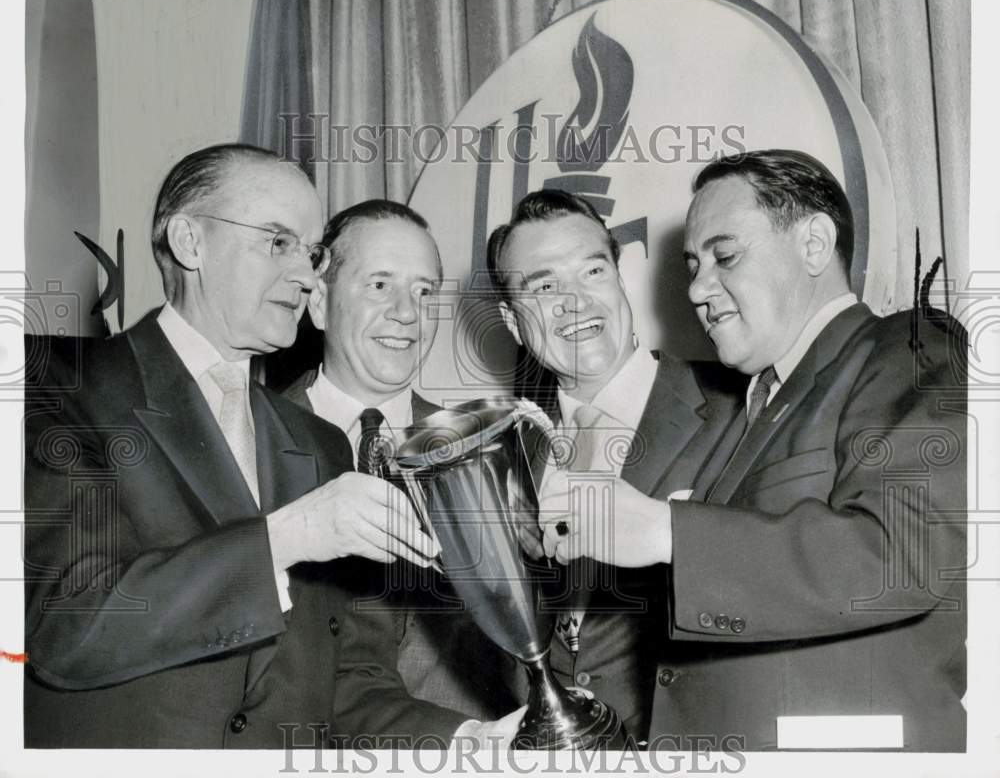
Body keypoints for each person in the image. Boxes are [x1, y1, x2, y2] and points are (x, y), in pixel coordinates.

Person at [23, 143, 519, 749]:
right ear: (190, 242)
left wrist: (471, 740)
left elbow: (343, 683)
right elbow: (63, 626)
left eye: (311, 253)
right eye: (277, 242)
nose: (308, 275)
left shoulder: (318, 445)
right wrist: (284, 538)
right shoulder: (52, 383)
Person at [538, 149, 967, 751]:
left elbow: (906, 553)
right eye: (692, 264)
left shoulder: (909, 348)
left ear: (815, 244)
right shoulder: (751, 407)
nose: (697, 288)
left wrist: (669, 532)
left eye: (725, 255)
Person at [486, 189, 743, 741]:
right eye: (546, 286)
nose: (576, 301)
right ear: (511, 321)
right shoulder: (503, 459)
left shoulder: (737, 407)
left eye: (593, 271)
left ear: (619, 278)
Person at [283, 199, 517, 719]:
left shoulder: (486, 448)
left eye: (424, 291)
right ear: (319, 303)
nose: (408, 313)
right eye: (380, 284)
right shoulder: (246, 437)